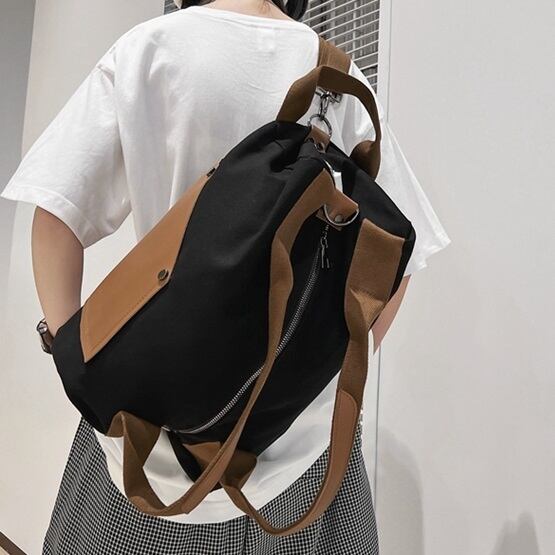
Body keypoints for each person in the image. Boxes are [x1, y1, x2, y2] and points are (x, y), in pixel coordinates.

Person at [0, 0, 451, 553]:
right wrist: (316, 381)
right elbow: (397, 257)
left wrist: (75, 359)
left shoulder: (148, 50)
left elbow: (55, 216)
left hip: (144, 439)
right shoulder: (335, 76)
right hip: (298, 460)